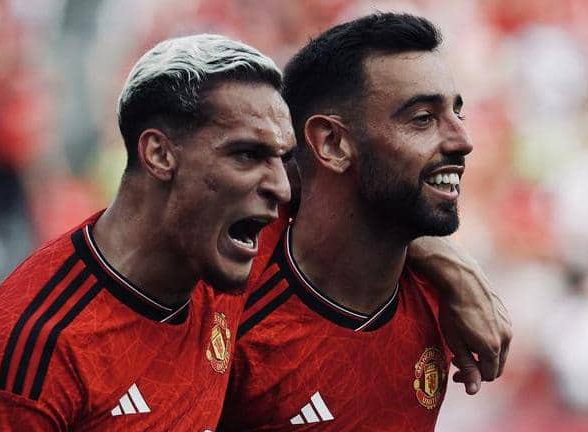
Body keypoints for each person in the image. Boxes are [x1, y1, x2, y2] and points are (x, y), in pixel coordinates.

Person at [0, 34, 295, 431]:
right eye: (247, 155)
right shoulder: (38, 347)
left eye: (283, 158)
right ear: (160, 154)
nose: (281, 187)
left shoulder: (222, 258)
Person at [218, 12, 510, 431]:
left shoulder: (437, 303)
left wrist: (451, 265)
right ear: (333, 142)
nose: (463, 141)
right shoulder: (224, 290)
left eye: (457, 114)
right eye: (422, 118)